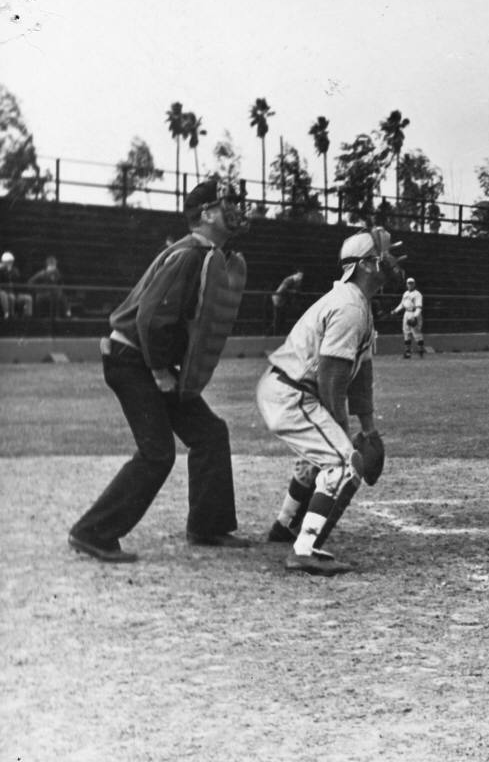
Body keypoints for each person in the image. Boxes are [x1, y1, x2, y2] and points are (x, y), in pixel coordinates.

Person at [68, 178, 251, 562]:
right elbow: (151, 319)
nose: (235, 210)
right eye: (226, 204)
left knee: (209, 433)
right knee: (157, 453)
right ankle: (91, 533)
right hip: (133, 359)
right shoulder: (190, 255)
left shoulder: (203, 253)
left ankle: (208, 525)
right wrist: (160, 371)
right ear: (206, 214)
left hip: (145, 359)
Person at [255, 227, 405, 575]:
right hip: (292, 392)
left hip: (289, 388)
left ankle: (285, 524)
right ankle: (305, 550)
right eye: (384, 254)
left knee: (320, 458)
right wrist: (344, 434)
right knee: (342, 463)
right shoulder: (349, 307)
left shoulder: (359, 304)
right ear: (365, 264)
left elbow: (361, 377)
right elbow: (332, 379)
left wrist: (369, 428)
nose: (392, 261)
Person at [391, 276, 425, 358]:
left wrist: (415, 316)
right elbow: (402, 304)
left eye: (411, 283)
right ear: (406, 284)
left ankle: (421, 350)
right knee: (406, 332)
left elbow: (419, 307)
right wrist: (395, 311)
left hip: (414, 312)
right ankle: (407, 352)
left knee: (416, 332)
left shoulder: (417, 294)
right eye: (409, 283)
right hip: (406, 313)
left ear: (414, 284)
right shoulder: (405, 293)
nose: (410, 285)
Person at [270, 268, 304, 334]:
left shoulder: (295, 281)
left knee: (282, 318)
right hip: (278, 300)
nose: (300, 278)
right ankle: (274, 333)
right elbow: (281, 291)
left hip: (283, 301)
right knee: (277, 318)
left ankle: (278, 332)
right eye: (299, 276)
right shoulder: (289, 280)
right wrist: (293, 291)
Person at [0, 251, 34, 319]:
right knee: (11, 297)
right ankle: (10, 317)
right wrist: (3, 269)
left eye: (11, 262)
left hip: (15, 293)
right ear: (4, 262)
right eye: (8, 262)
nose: (10, 263)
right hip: (4, 292)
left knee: (28, 298)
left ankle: (27, 317)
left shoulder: (14, 270)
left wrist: (10, 271)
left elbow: (17, 276)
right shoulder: (1, 270)